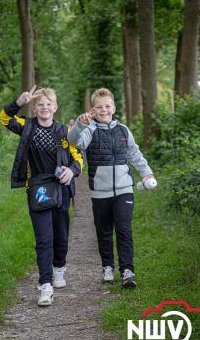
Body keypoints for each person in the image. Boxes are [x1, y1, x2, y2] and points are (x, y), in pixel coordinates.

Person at [0, 86, 83, 306]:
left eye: (48, 104)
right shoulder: (27, 127)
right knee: (44, 238)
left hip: (62, 190)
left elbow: (78, 157)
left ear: (55, 107)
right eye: (39, 104)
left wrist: (71, 171)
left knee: (61, 236)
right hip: (38, 190)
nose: (44, 107)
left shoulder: (65, 131)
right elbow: (5, 119)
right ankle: (45, 284)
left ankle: (58, 270)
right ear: (34, 108)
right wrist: (18, 103)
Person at [67, 88, 156, 288]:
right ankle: (107, 266)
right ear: (93, 109)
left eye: (107, 106)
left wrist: (146, 173)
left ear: (113, 108)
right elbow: (73, 141)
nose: (104, 110)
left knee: (124, 229)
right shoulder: (89, 129)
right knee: (104, 231)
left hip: (124, 190)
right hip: (100, 191)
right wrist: (81, 125)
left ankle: (127, 271)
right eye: (99, 107)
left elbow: (135, 154)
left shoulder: (123, 130)